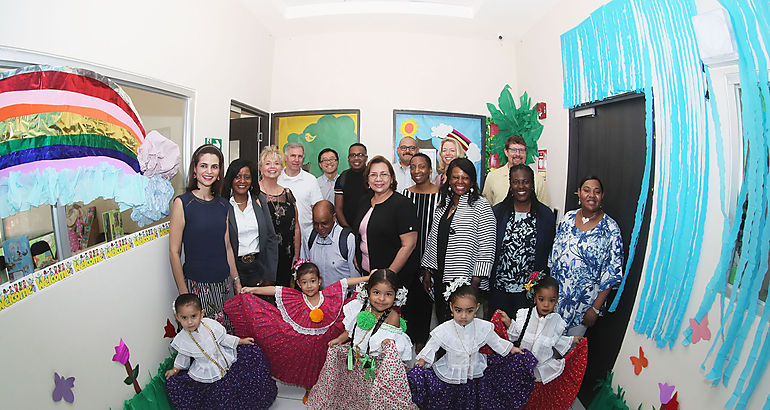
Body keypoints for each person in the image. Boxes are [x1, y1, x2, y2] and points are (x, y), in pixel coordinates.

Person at [225, 262, 371, 404]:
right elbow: (275, 290)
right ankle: (310, 388)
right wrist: (252, 290)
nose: (309, 286)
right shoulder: (295, 298)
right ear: (299, 284)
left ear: (319, 281)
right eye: (304, 282)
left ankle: (328, 389)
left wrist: (367, 278)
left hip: (327, 341)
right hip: (306, 345)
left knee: (326, 364)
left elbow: (345, 282)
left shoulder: (327, 295)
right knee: (310, 366)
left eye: (313, 281)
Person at [408, 280, 537, 410]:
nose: (463, 316)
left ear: (477, 308)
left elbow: (495, 341)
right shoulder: (444, 329)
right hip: (450, 377)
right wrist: (422, 360)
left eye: (469, 311)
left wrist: (512, 349)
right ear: (452, 307)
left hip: (475, 377)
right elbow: (432, 346)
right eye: (459, 310)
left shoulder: (482, 327)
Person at [307, 269, 415, 409]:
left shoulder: (392, 317)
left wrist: (388, 343)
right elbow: (353, 329)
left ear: (396, 295)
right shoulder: (360, 307)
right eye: (376, 293)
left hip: (374, 366)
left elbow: (391, 344)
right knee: (354, 390)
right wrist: (340, 339)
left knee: (369, 392)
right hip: (357, 359)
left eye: (388, 294)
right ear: (368, 291)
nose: (381, 299)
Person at [169, 144, 240, 330]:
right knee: (202, 346)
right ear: (195, 169)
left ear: (219, 172)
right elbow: (174, 252)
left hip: (224, 285)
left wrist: (236, 280)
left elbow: (227, 247)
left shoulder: (224, 204)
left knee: (225, 340)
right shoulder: (182, 203)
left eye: (214, 167)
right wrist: (183, 293)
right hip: (197, 288)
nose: (209, 171)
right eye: (203, 166)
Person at [165, 293, 277, 410]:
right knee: (221, 398)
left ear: (201, 313)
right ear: (177, 317)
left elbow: (224, 338)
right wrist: (175, 369)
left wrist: (241, 341)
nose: (190, 322)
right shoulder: (183, 339)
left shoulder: (210, 325)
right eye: (184, 318)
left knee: (252, 353)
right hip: (207, 371)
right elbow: (183, 356)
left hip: (225, 358)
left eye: (193, 316)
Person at [422, 158, 496, 323]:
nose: (460, 182)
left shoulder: (481, 206)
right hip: (440, 276)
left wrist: (474, 283)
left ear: (472, 181)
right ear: (448, 179)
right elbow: (433, 238)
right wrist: (427, 272)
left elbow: (487, 247)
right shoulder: (443, 204)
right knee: (443, 324)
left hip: (465, 281)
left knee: (462, 328)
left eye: (465, 178)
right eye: (455, 177)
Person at [549, 176, 623, 336]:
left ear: (602, 196)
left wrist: (595, 309)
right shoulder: (567, 218)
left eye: (597, 192)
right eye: (587, 190)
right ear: (578, 193)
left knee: (568, 352)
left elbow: (612, 273)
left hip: (583, 306)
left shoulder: (610, 228)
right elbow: (554, 257)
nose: (591, 195)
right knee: (547, 348)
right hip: (555, 301)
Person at [489, 164, 555, 318]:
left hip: (529, 293)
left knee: (524, 337)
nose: (521, 186)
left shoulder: (545, 215)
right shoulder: (497, 213)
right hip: (500, 290)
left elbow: (548, 252)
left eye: (525, 182)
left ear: (532, 184)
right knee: (498, 336)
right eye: (516, 182)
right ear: (510, 185)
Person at [500, 274, 584, 385]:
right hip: (520, 367)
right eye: (541, 299)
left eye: (551, 300)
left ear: (557, 300)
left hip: (540, 369)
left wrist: (572, 340)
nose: (546, 304)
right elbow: (517, 334)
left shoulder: (557, 322)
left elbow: (555, 341)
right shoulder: (524, 315)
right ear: (535, 298)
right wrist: (508, 322)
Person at [353, 155, 417, 280]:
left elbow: (409, 245)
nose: (378, 179)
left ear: (392, 178)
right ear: (367, 179)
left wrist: (388, 275)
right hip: (366, 274)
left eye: (384, 174)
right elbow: (361, 234)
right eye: (373, 175)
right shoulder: (364, 201)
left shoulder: (403, 204)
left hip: (392, 278)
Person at [401, 152, 439, 350]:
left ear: (430, 170)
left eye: (422, 166)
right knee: (407, 300)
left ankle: (422, 340)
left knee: (425, 300)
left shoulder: (441, 196)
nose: (417, 171)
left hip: (432, 256)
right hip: (409, 256)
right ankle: (407, 339)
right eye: (413, 167)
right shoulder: (405, 194)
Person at [222, 158, 279, 287]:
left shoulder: (259, 202)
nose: (242, 181)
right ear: (231, 179)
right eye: (237, 177)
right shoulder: (223, 205)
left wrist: (269, 275)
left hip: (258, 268)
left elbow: (271, 238)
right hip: (233, 270)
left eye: (247, 177)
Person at [259, 146, 301, 288]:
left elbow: (296, 226)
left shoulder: (287, 193)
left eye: (276, 163)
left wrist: (296, 254)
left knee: (283, 296)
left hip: (285, 256)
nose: (272, 167)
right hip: (261, 256)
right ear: (261, 167)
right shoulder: (254, 194)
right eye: (268, 163)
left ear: (281, 167)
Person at [301, 200, 359, 287]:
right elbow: (304, 271)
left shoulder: (346, 239)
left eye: (324, 223)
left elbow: (355, 277)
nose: (320, 228)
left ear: (334, 217)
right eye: (316, 224)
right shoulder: (309, 236)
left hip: (342, 298)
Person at [482, 135, 550, 207]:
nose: (517, 154)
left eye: (521, 150)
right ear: (506, 152)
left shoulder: (538, 179)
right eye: (513, 150)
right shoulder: (492, 177)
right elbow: (486, 208)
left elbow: (544, 210)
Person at [278, 142, 323, 243]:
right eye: (293, 156)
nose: (296, 160)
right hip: (283, 237)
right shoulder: (277, 178)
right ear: (285, 157)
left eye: (300, 156)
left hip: (307, 237)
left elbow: (317, 207)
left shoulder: (310, 180)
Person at [334, 143, 368, 227]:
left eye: (360, 155)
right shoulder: (342, 178)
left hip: (371, 229)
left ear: (366, 158)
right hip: (349, 228)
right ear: (348, 158)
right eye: (353, 155)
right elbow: (338, 209)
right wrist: (347, 229)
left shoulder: (373, 176)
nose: (356, 158)